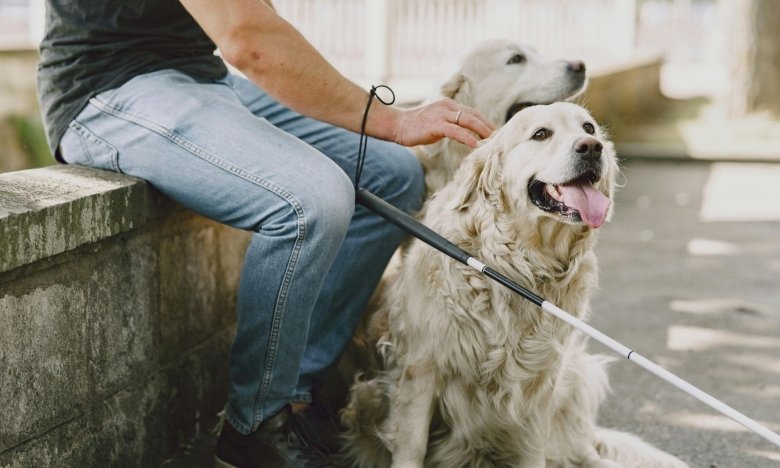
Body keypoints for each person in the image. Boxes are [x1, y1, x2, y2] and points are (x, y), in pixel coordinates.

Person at [37, 1, 494, 466]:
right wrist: (395, 121)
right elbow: (248, 40)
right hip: (109, 86)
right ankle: (255, 426)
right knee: (311, 200)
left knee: (392, 175)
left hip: (201, 74)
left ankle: (296, 399)